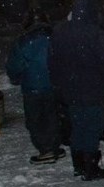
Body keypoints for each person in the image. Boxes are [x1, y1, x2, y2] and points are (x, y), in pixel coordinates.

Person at [49, 0, 104, 181]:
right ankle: (90, 167)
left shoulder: (60, 32)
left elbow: (53, 63)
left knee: (78, 126)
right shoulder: (96, 34)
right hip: (92, 89)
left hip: (70, 90)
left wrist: (58, 86)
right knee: (92, 127)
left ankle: (79, 164)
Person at [6, 10, 63, 165]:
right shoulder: (55, 38)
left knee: (36, 121)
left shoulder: (23, 42)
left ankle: (46, 150)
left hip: (33, 87)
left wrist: (15, 77)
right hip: (54, 85)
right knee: (53, 117)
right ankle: (54, 146)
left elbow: (14, 66)